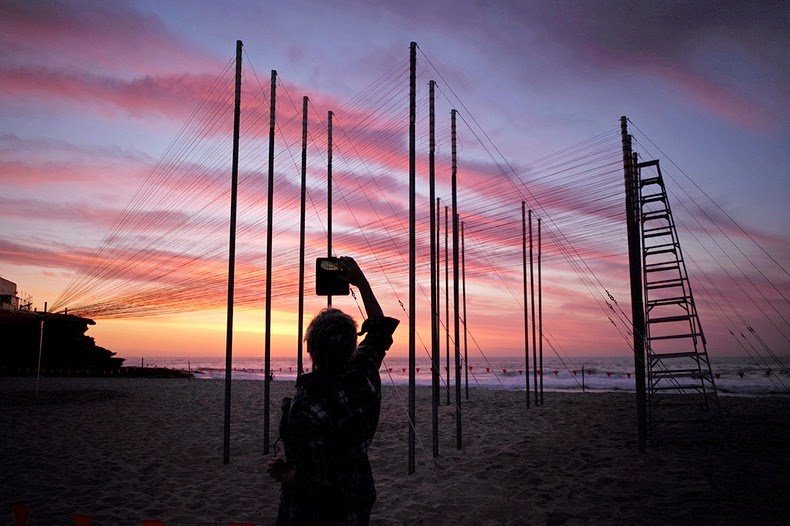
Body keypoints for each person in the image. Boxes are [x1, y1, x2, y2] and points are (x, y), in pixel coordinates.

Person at [268, 256, 399, 525]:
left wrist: (287, 474)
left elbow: (317, 477)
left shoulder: (306, 403)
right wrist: (360, 282)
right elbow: (378, 330)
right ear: (352, 346)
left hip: (312, 514)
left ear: (310, 349)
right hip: (355, 503)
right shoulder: (363, 377)